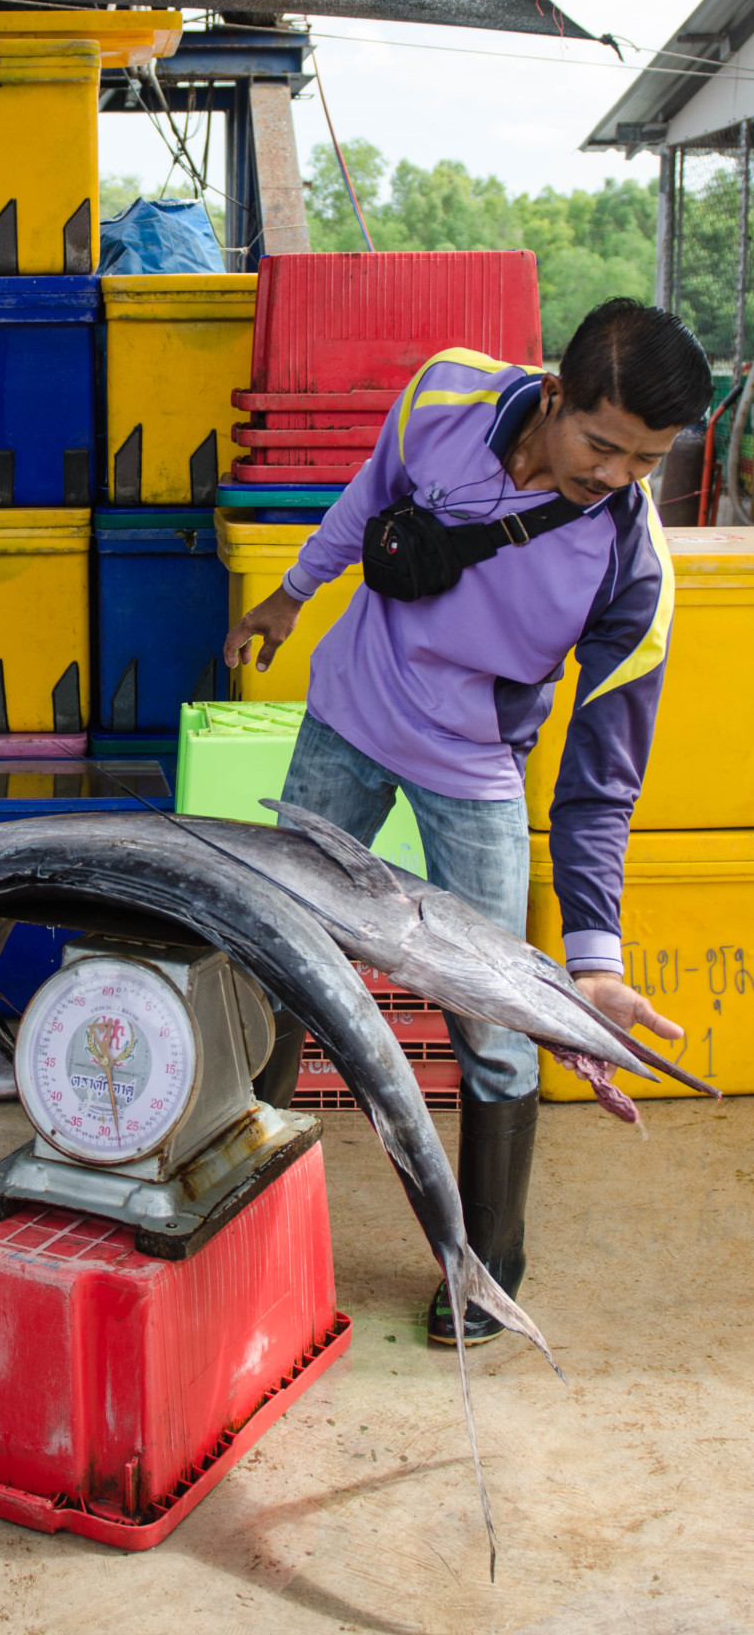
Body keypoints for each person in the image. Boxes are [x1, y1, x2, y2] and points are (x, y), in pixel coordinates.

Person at [224, 299, 712, 1346]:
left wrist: (592, 954)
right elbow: (370, 498)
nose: (616, 476)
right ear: (555, 396)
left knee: (495, 1020)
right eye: (601, 443)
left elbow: (600, 778)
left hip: (474, 765)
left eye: (648, 460)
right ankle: (235, 1202)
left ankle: (485, 1268)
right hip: (349, 711)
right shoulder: (446, 393)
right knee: (282, 954)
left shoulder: (634, 569)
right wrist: (291, 596)